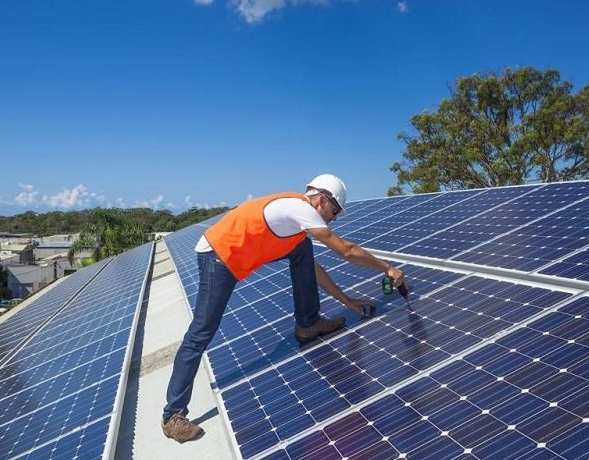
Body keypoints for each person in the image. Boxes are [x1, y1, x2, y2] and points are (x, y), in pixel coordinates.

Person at [161, 174, 406, 443]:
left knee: (303, 250)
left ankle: (308, 324)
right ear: (322, 199)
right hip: (218, 256)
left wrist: (346, 300)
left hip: (237, 254)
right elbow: (346, 250)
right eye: (334, 211)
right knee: (202, 331)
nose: (334, 218)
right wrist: (388, 268)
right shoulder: (299, 209)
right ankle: (172, 416)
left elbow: (313, 270)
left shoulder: (297, 227)